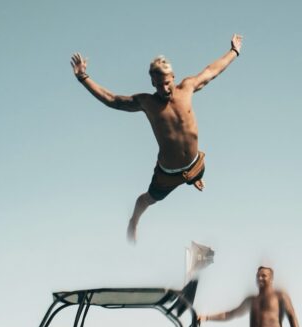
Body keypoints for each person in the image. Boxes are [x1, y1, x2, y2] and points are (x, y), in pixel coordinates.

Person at [70, 34, 243, 243]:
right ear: (152, 82)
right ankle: (134, 220)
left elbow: (212, 71)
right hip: (167, 174)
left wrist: (234, 51)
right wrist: (83, 77)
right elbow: (112, 100)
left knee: (197, 174)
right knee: (147, 200)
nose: (165, 88)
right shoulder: (146, 102)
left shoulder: (187, 87)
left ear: (174, 78)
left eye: (168, 83)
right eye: (159, 84)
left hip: (196, 163)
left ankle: (194, 178)